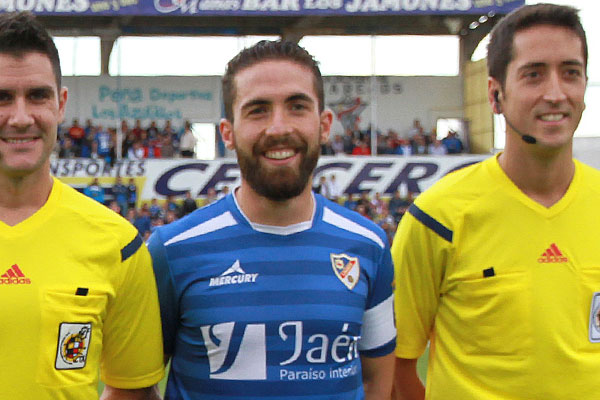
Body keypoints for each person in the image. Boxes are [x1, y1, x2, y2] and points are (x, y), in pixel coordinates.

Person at [148, 40, 396, 400]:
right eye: (258, 110)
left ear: (324, 124)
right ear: (227, 133)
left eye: (297, 107)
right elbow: (136, 385)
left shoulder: (368, 246)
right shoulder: (171, 251)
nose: (278, 127)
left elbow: (377, 382)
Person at [393, 4, 599, 399]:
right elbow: (397, 368)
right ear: (495, 94)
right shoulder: (437, 217)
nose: (555, 93)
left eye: (570, 73)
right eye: (533, 74)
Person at [0, 11, 163, 400]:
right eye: (2, 97)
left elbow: (132, 390)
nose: (20, 118)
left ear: (61, 104)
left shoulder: (119, 244)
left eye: (37, 95)